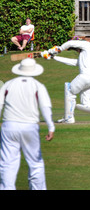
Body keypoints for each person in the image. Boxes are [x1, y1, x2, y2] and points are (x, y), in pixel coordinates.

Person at [0, 58, 55, 190]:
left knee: (7, 163)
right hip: (30, 126)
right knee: (35, 163)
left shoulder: (8, 84)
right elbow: (45, 107)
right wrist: (51, 127)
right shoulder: (38, 85)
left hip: (9, 126)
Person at [41, 39, 90, 124]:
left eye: (76, 49)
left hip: (85, 76)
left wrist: (57, 49)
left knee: (69, 89)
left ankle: (68, 118)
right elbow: (74, 62)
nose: (77, 51)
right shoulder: (87, 54)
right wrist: (54, 57)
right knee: (85, 103)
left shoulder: (87, 45)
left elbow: (70, 43)